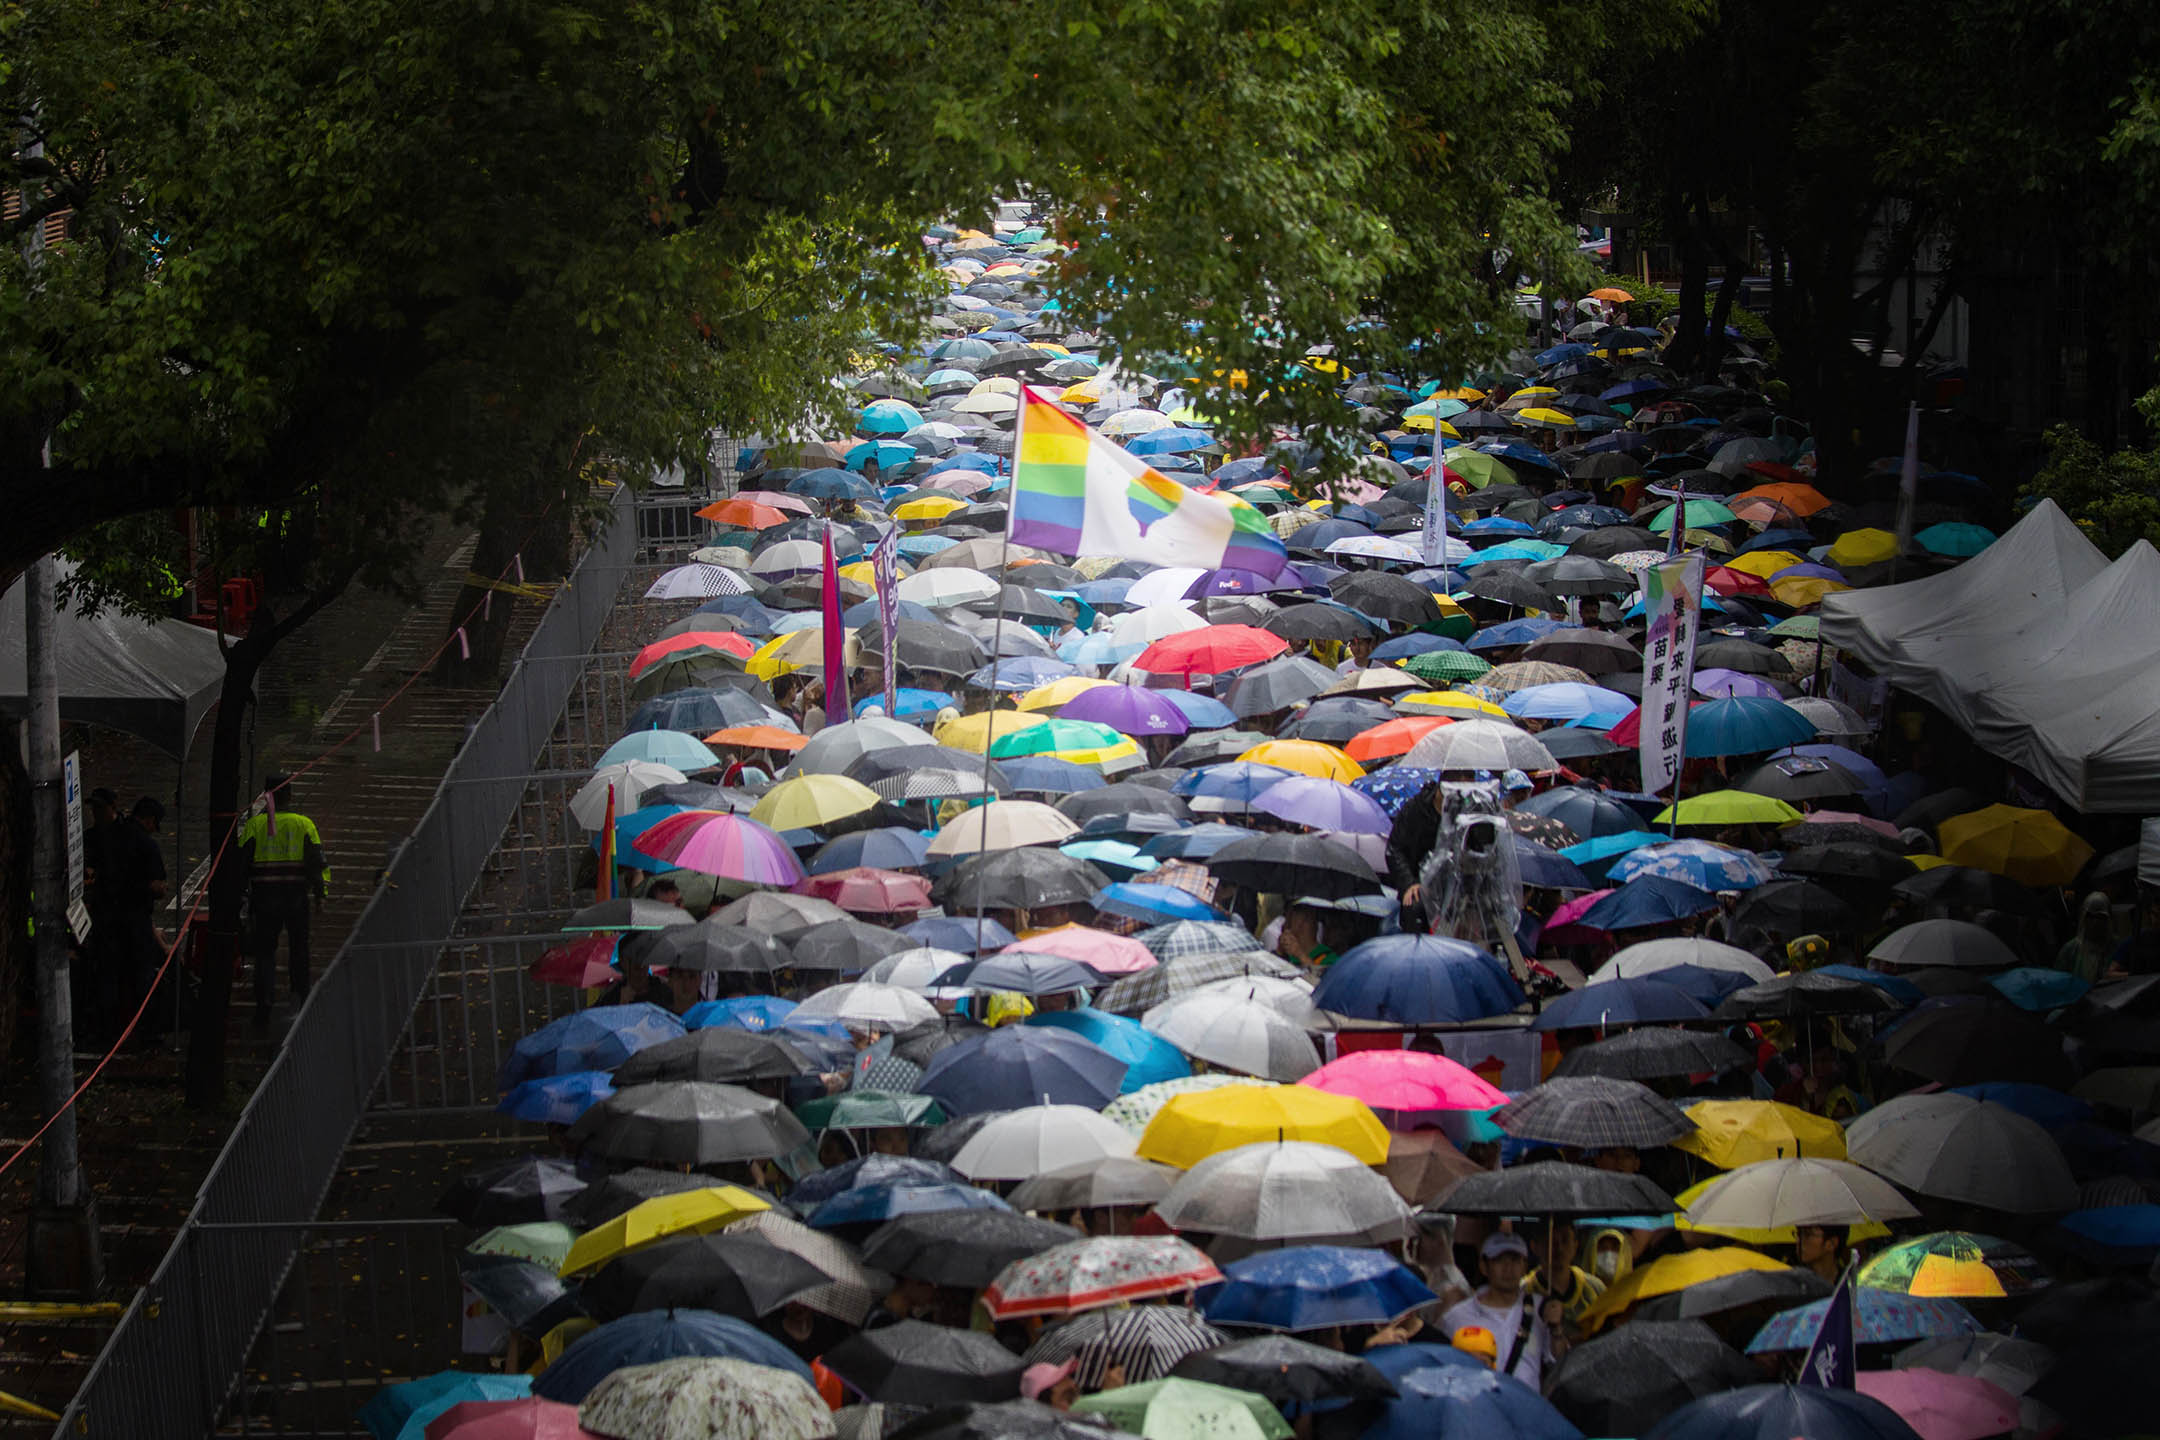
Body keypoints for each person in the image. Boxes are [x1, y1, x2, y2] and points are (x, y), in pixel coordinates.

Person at [237, 773, 328, 1026]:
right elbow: (316, 863)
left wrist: (241, 896)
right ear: (290, 795)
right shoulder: (304, 824)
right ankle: (299, 995)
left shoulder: (255, 826)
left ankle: (264, 1003)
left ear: (266, 797)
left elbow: (241, 864)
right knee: (300, 949)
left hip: (265, 899)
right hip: (296, 898)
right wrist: (320, 894)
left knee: (264, 952)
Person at [1439, 1232, 1561, 1386]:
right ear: (1484, 1266)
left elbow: (1559, 1362)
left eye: (1515, 1260)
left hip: (1527, 1405)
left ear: (1525, 1266)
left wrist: (1556, 1329)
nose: (1508, 1268)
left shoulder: (1542, 1308)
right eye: (1499, 1260)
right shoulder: (1457, 1316)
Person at [101, 796, 170, 1041]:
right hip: (135, 919)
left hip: (106, 917)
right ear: (149, 820)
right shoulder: (146, 845)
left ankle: (108, 1026)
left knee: (111, 973)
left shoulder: (110, 835)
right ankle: (145, 1029)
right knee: (142, 973)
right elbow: (157, 885)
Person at [2056, 892, 2115, 983]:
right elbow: (2058, 982)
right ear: (2083, 917)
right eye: (2090, 916)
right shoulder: (2070, 950)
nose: (2095, 922)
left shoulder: (2116, 948)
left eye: (2100, 917)